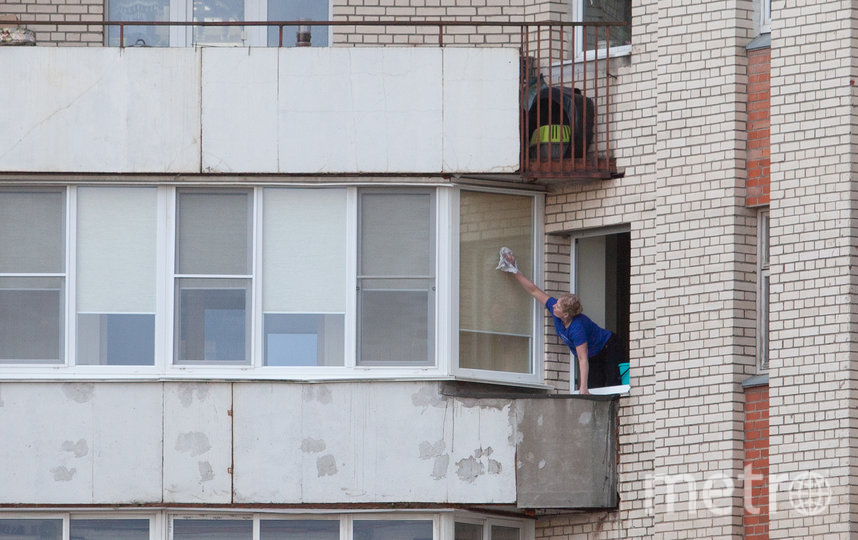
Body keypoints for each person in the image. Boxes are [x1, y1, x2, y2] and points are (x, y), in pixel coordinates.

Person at [503, 251, 621, 395]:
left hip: (608, 347)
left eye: (557, 306)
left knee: (611, 384)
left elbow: (582, 359)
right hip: (592, 354)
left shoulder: (577, 328)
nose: (553, 306)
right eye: (556, 303)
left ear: (566, 314)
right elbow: (534, 290)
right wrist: (514, 270)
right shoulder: (556, 310)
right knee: (595, 386)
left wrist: (582, 388)